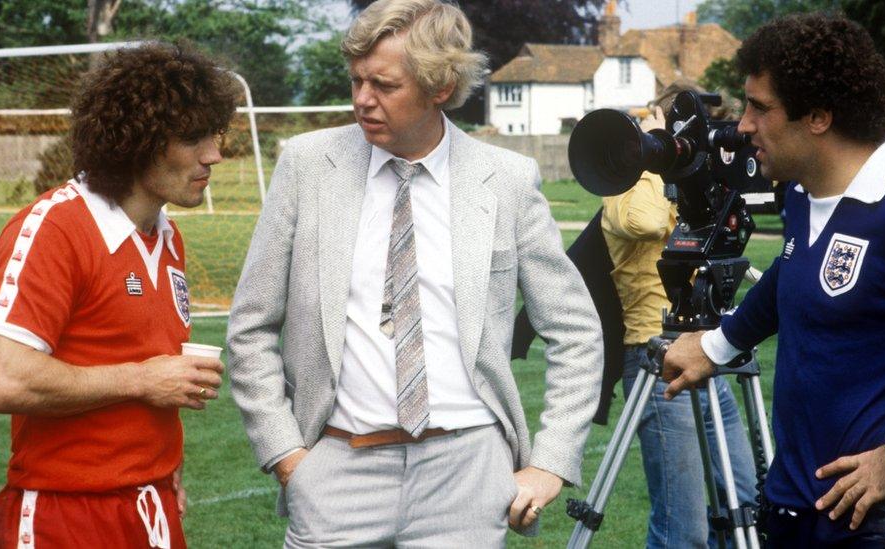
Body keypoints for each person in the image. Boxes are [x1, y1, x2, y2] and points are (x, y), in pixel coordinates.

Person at [225, 0, 603, 545]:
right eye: (356, 80)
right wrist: (286, 454)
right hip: (335, 469)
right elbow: (251, 324)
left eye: (383, 85)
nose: (362, 100)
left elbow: (575, 331)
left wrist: (552, 460)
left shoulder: (507, 180)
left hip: (468, 476)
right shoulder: (307, 165)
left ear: (441, 87)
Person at [662, 13, 885, 546]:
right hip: (791, 508)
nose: (744, 124)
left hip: (877, 524)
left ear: (818, 117)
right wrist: (717, 344)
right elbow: (789, 276)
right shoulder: (802, 193)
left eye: (760, 107)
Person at [0, 43, 239, 548]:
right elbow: (5, 382)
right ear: (137, 141)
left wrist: (165, 464)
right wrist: (142, 380)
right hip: (63, 516)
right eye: (192, 138)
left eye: (215, 134)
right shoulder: (56, 227)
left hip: (150, 508)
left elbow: (142, 366)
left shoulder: (167, 238)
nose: (214, 154)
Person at [601, 86, 757, 548]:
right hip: (657, 358)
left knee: (745, 501)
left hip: (708, 352)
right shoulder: (623, 185)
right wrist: (651, 150)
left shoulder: (697, 192)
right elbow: (645, 222)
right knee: (683, 527)